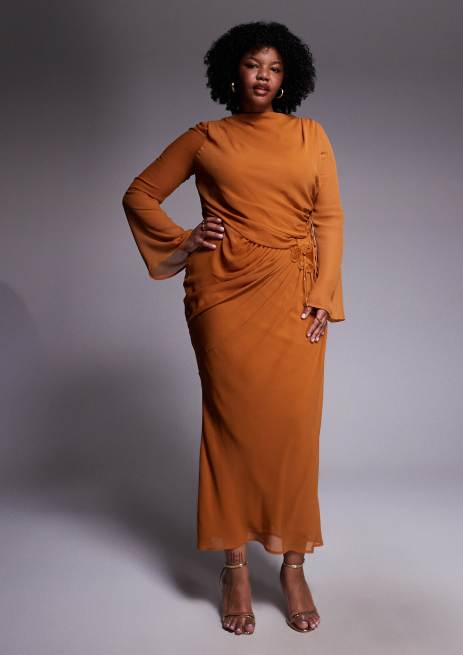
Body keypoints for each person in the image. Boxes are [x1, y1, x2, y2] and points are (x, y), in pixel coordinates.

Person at [121, 20, 346, 636]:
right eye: (253, 65)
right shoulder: (206, 138)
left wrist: (324, 295)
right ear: (233, 73)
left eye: (274, 67)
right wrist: (185, 238)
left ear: (288, 77)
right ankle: (236, 569)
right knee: (230, 427)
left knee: (295, 428)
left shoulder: (311, 135)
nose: (263, 76)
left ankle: (294, 566)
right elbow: (140, 194)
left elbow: (329, 218)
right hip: (224, 296)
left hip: (295, 294)